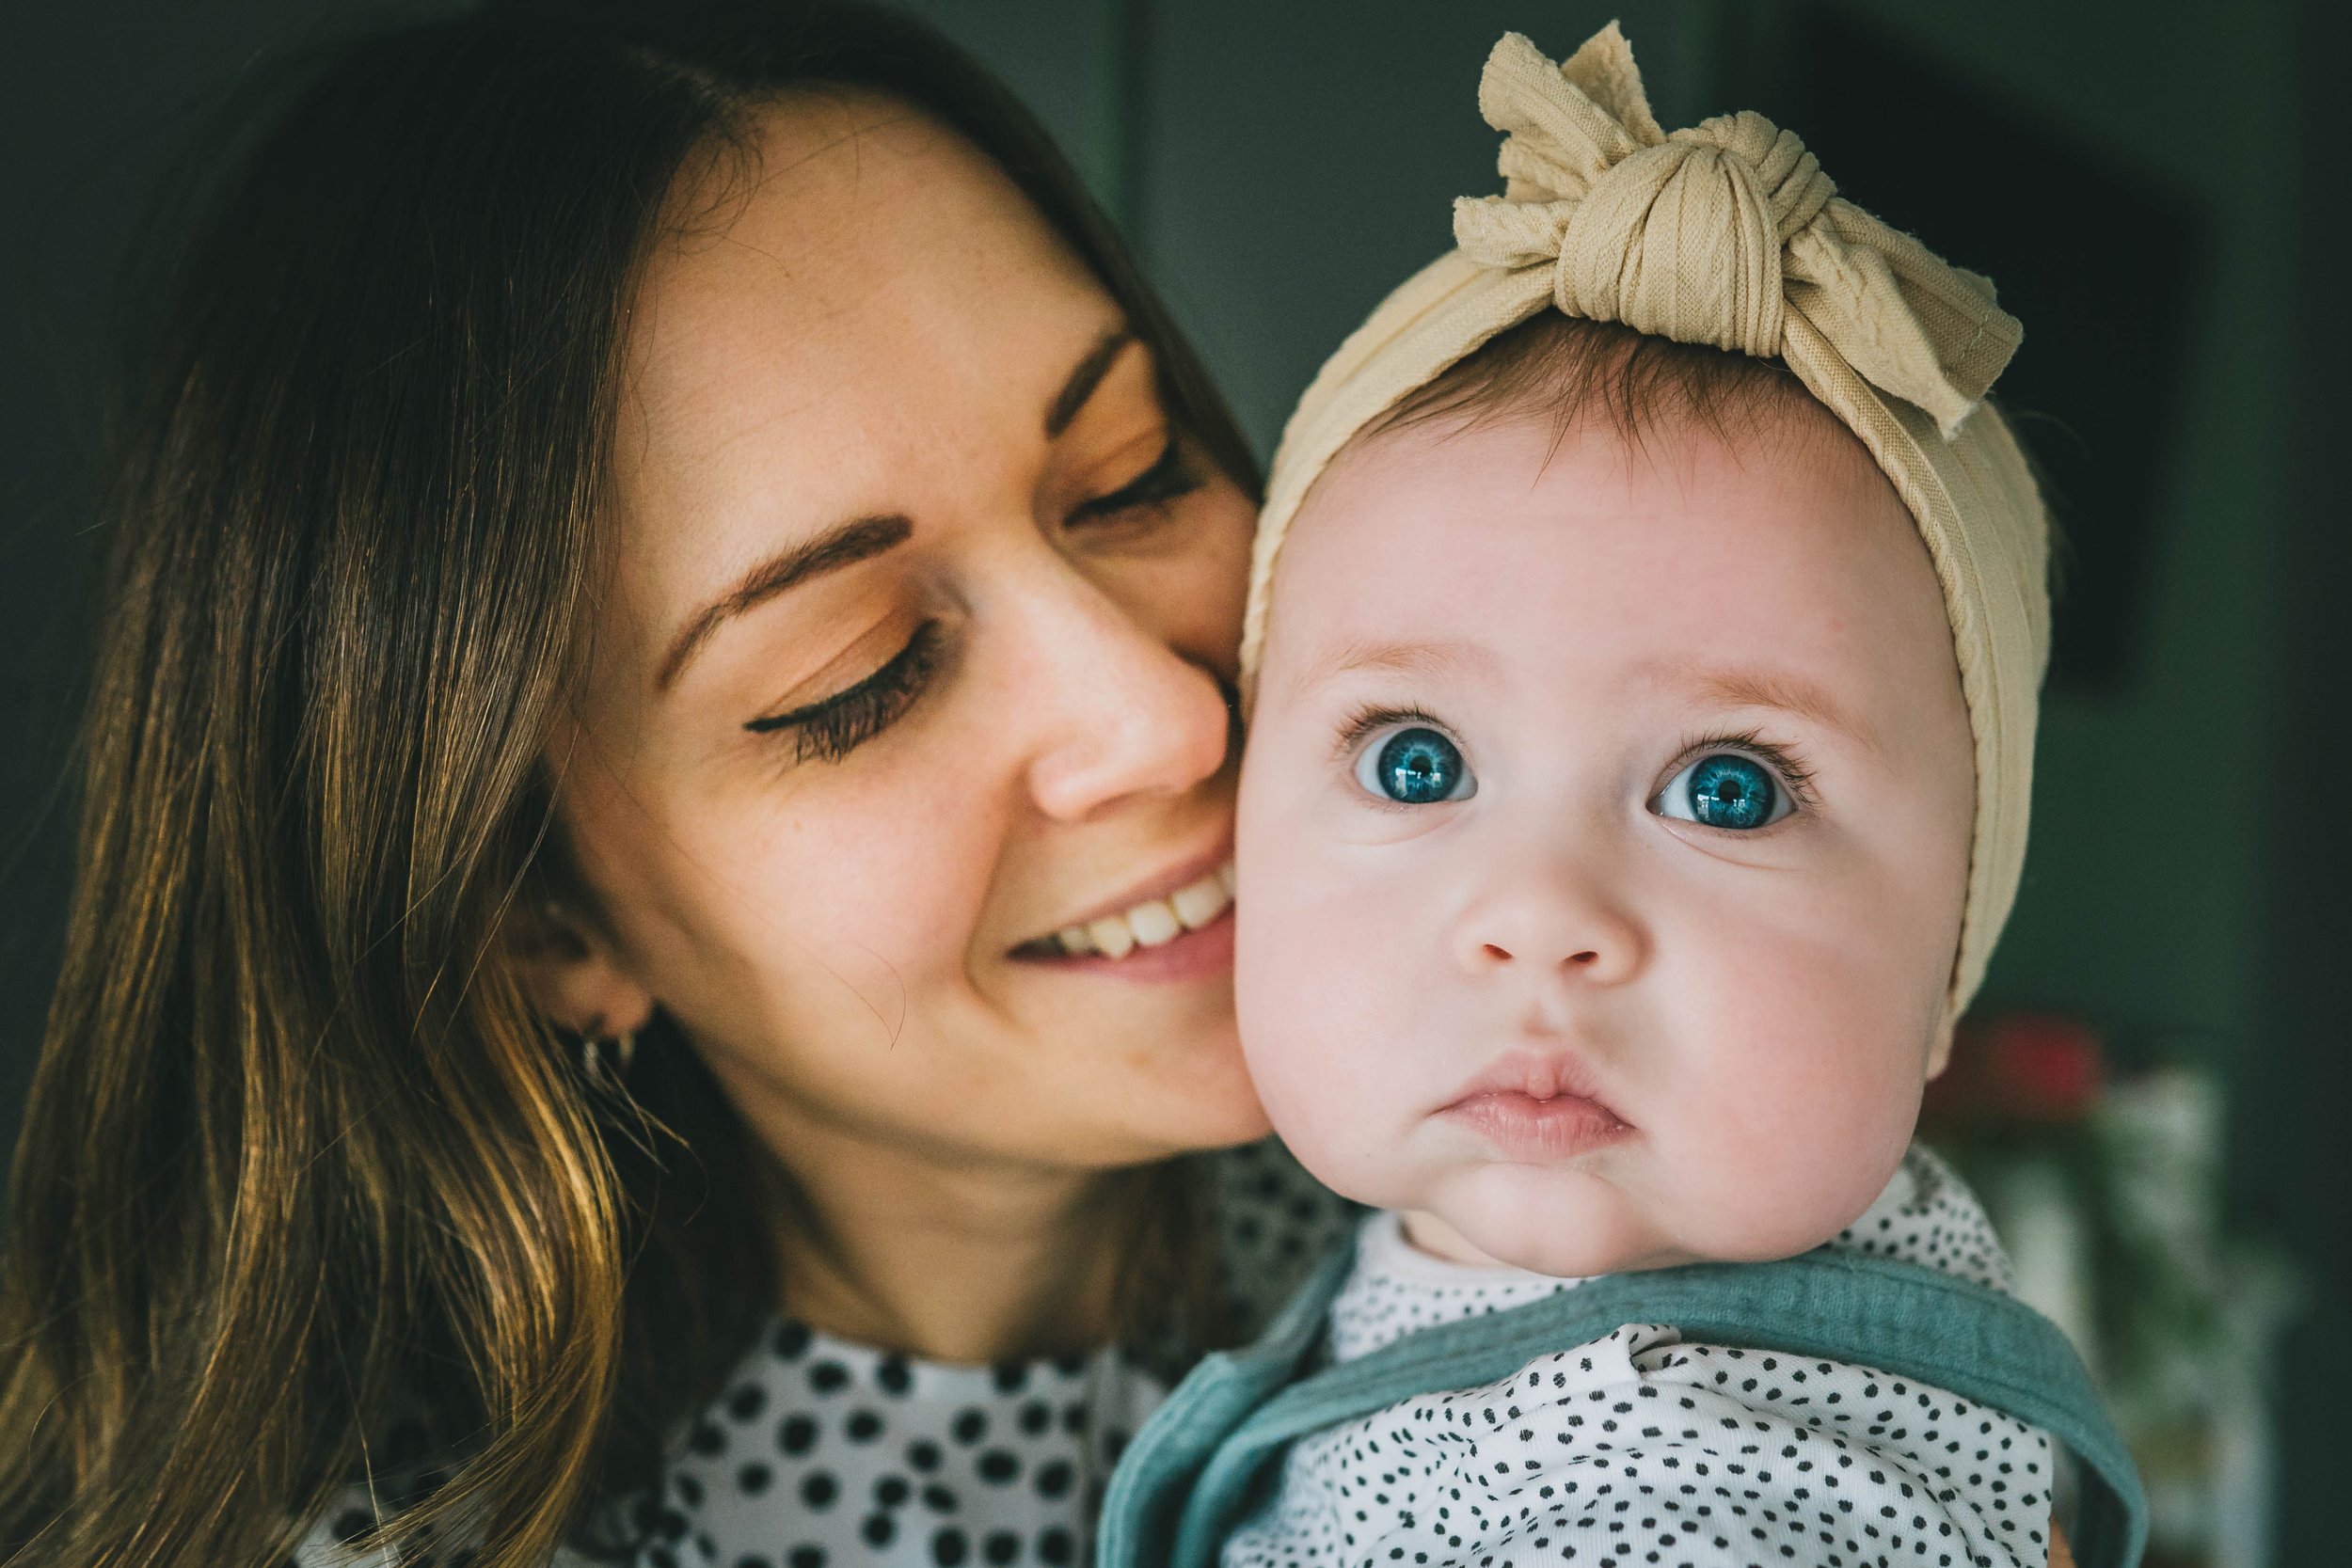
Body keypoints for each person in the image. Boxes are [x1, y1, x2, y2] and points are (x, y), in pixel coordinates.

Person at [0, 4, 1353, 1565]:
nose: (1168, 717)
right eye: (861, 678)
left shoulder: (1611, 1162)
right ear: (544, 918)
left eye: (1134, 475)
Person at [1102, 25, 2137, 1568]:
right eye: (1417, 762)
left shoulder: (1713, 1476)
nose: (1539, 917)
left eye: (1727, 791)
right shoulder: (1376, 1230)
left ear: (1947, 964)